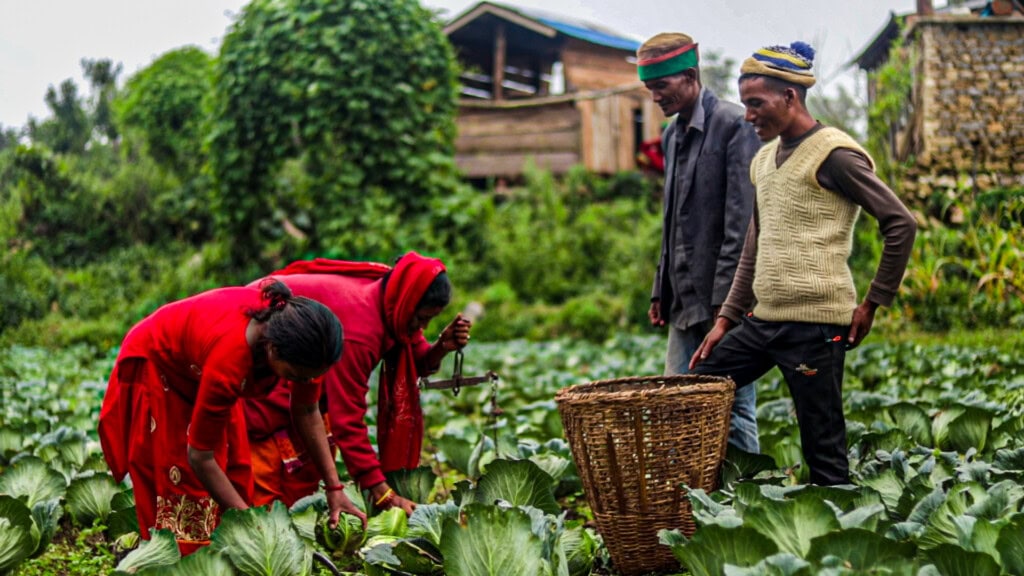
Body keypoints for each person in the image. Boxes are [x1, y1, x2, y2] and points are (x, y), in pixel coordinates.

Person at [690, 42, 917, 485]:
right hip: (763, 321)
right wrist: (725, 320)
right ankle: (715, 495)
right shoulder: (763, 161)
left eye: (757, 104)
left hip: (815, 327)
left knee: (823, 448)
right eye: (745, 105)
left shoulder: (835, 155)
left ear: (790, 97)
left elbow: (900, 223)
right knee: (697, 386)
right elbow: (752, 249)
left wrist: (872, 303)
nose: (749, 115)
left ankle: (843, 543)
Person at [98, 280, 364, 555]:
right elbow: (199, 456)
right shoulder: (230, 359)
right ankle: (181, 562)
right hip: (162, 369)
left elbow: (308, 410)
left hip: (204, 369)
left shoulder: (304, 344)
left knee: (236, 470)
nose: (306, 382)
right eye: (296, 377)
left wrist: (334, 488)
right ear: (272, 350)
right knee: (186, 492)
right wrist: (252, 525)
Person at [244, 252, 471, 515]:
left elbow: (416, 359)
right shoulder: (360, 331)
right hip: (267, 371)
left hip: (305, 383)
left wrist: (442, 346)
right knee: (266, 483)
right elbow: (347, 419)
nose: (422, 327)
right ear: (408, 302)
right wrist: (381, 492)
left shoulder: (392, 303)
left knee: (305, 474)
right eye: (421, 319)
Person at [638, 32, 762, 453]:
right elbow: (671, 219)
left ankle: (744, 502)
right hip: (682, 300)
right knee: (677, 405)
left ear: (690, 76)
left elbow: (741, 222)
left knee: (734, 404)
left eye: (661, 86)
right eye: (650, 88)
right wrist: (661, 288)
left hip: (722, 298)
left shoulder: (732, 124)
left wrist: (728, 303)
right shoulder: (671, 137)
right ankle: (695, 504)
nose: (655, 96)